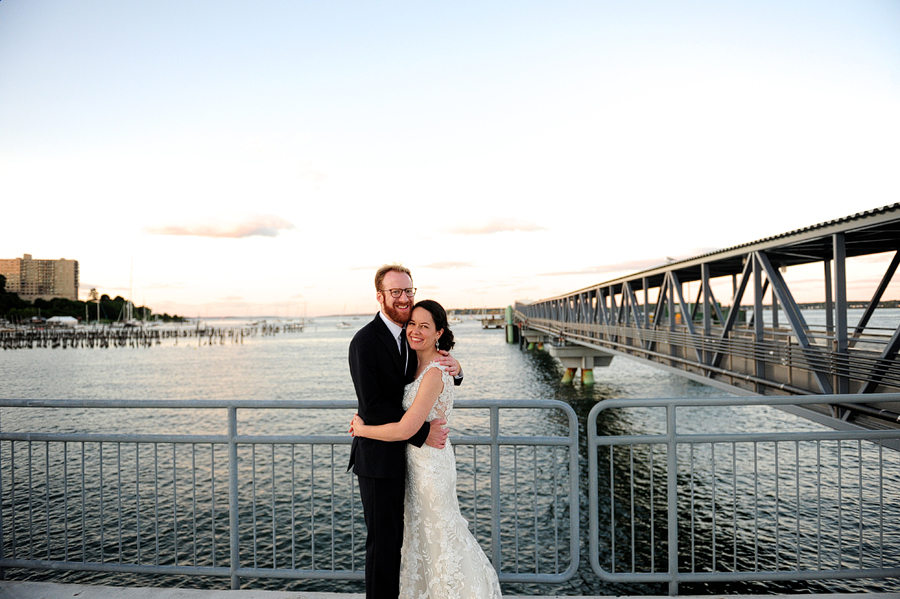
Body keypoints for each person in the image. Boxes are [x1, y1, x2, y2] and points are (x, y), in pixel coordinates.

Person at [351, 299, 502, 599]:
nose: (415, 330)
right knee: (419, 539)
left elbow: (408, 426)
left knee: (439, 534)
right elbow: (382, 400)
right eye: (412, 324)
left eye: (424, 326)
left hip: (430, 467)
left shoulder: (434, 369)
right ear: (380, 295)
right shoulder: (400, 353)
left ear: (439, 333)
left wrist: (362, 430)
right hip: (412, 463)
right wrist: (456, 369)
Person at [348, 264, 463, 599]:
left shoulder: (410, 340)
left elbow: (429, 376)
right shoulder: (365, 342)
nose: (403, 298)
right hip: (379, 460)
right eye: (395, 292)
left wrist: (457, 368)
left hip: (410, 462)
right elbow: (375, 406)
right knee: (383, 547)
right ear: (380, 296)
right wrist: (421, 432)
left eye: (408, 291)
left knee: (410, 543)